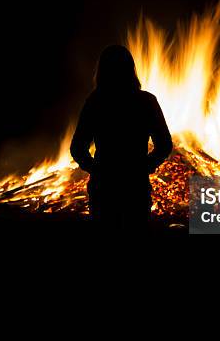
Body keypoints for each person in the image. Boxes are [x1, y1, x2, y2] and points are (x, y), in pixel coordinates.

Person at [70, 45, 173, 232]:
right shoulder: (146, 102)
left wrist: (96, 169)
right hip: (135, 188)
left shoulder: (95, 102)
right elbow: (164, 145)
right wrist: (144, 166)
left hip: (104, 189)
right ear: (131, 70)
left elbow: (77, 148)